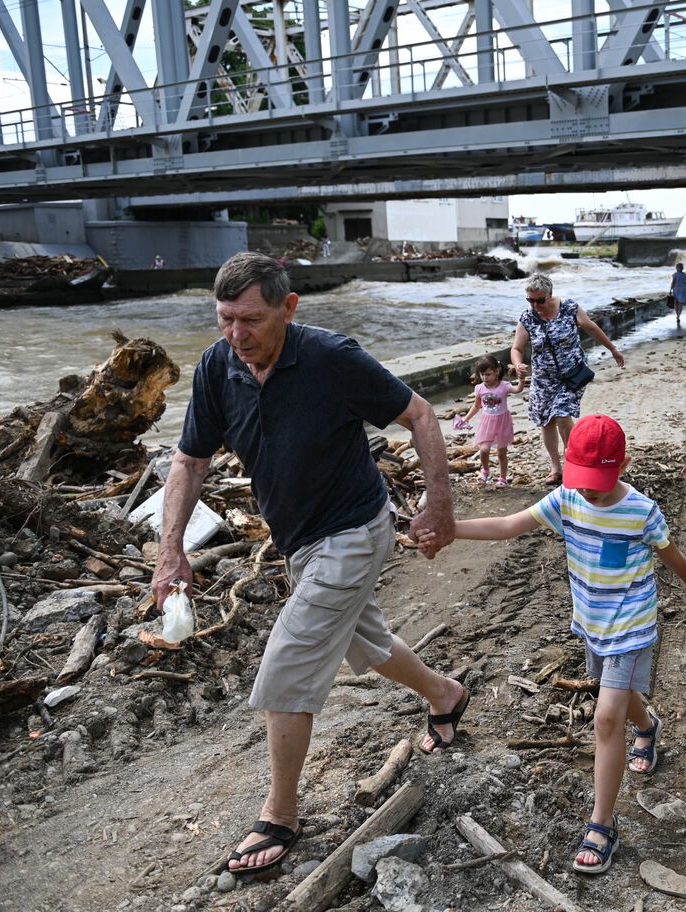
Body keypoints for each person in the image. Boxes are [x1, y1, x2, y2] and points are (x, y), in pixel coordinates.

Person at [152, 252, 468, 877]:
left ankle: (281, 814)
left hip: (354, 529)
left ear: (288, 309)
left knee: (289, 660)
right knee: (366, 643)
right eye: (224, 320)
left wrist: (440, 504)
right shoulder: (220, 366)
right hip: (299, 539)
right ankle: (445, 694)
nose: (237, 335)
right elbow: (189, 462)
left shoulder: (330, 358)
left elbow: (421, 415)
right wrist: (171, 549)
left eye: (251, 320)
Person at [426, 415, 686, 875]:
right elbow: (507, 525)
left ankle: (603, 823)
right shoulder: (567, 498)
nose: (588, 492)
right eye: (581, 480)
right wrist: (451, 529)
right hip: (592, 623)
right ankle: (648, 727)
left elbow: (669, 552)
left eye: (596, 483)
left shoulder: (641, 510)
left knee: (605, 717)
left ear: (624, 467)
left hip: (632, 623)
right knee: (617, 696)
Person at [512, 274, 625, 485]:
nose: (535, 305)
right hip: (543, 379)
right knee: (546, 422)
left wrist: (612, 349)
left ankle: (575, 462)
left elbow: (590, 326)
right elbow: (517, 348)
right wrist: (518, 364)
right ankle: (556, 468)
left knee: (562, 416)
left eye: (540, 300)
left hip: (572, 375)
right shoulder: (527, 318)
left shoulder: (569, 308)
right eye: (530, 300)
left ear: (550, 295)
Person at [457, 354, 523, 486]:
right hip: (487, 423)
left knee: (501, 453)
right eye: (482, 375)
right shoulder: (479, 388)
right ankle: (485, 470)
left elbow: (518, 389)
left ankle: (502, 477)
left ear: (496, 371)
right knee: (484, 450)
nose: (485, 378)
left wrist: (521, 379)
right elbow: (476, 406)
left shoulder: (504, 386)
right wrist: (465, 419)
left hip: (503, 422)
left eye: (488, 374)